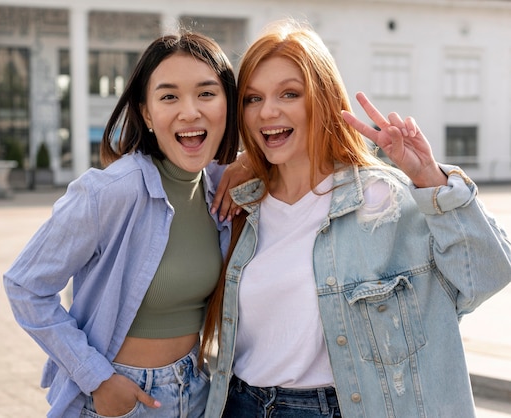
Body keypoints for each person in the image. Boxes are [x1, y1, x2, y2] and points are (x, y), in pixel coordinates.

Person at [203, 19, 511, 418]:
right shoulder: (240, 204)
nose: (268, 111)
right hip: (239, 404)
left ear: (323, 99)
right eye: (252, 98)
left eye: (289, 93)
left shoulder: (381, 198)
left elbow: (487, 273)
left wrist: (430, 179)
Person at [3, 31, 244, 418]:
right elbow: (25, 285)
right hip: (123, 396)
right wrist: (97, 379)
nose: (190, 111)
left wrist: (248, 163)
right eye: (169, 96)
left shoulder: (223, 189)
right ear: (147, 113)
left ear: (229, 105)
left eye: (206, 93)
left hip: (198, 391)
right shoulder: (110, 191)